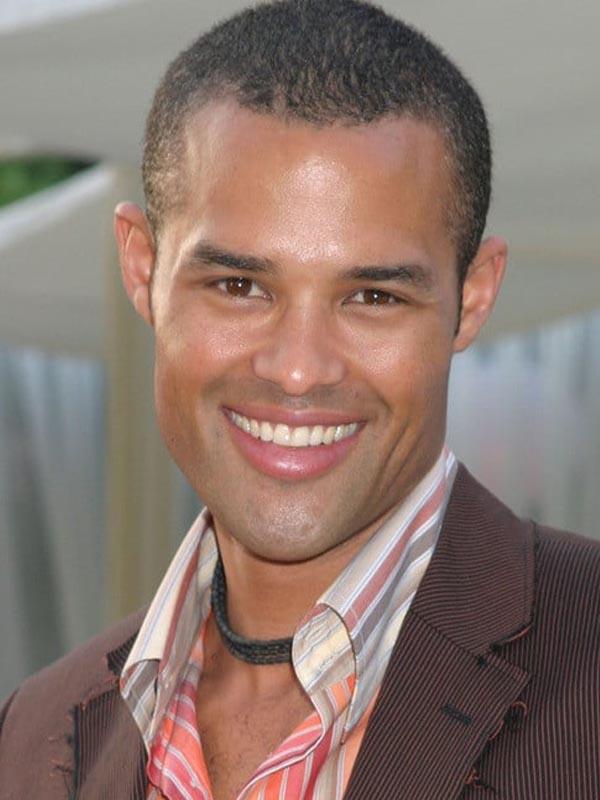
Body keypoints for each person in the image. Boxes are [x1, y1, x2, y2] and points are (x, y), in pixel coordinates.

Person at [1, 1, 599, 797]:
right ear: (142, 269)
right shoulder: (35, 736)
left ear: (474, 297)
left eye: (374, 297)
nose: (297, 370)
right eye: (238, 286)